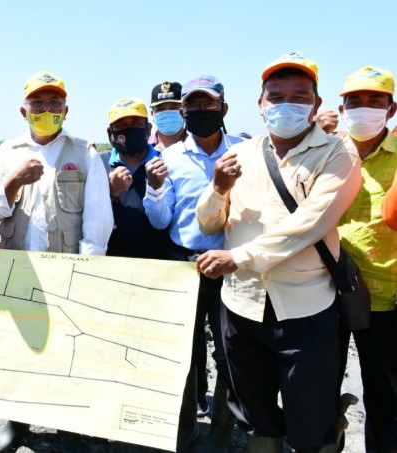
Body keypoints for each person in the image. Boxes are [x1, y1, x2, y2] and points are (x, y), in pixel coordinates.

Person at [195, 52, 361, 452]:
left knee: (309, 422)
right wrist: (217, 187)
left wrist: (237, 257)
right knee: (255, 417)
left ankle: (328, 433)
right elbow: (209, 224)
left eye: (300, 95)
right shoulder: (243, 154)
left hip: (303, 309)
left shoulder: (338, 155)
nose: (287, 104)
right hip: (242, 306)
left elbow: (308, 226)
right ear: (261, 104)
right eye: (276, 95)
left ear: (316, 105)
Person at [0, 70, 113, 452]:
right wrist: (15, 180)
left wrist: (89, 269)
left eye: (54, 102)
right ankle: (16, 423)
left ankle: (69, 426)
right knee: (19, 347)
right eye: (38, 103)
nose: (46, 109)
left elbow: (98, 216)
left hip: (69, 265)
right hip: (17, 265)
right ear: (24, 111)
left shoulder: (85, 151)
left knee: (69, 349)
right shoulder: (8, 153)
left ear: (66, 109)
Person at [144, 75, 244, 452]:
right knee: (180, 353)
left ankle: (220, 433)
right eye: (195, 106)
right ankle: (183, 431)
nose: (202, 111)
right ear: (184, 111)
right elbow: (160, 219)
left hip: (229, 267)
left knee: (230, 354)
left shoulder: (243, 153)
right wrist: (154, 190)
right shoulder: (168, 158)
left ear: (224, 108)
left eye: (209, 104)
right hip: (182, 265)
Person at [335, 65, 397, 452]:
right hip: (325, 293)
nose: (365, 109)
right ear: (342, 108)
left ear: (391, 110)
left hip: (386, 299)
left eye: (376, 101)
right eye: (355, 101)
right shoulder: (327, 150)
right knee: (319, 390)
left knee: (385, 398)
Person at [104, 97, 169, 259]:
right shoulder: (99, 164)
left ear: (148, 129)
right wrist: (111, 194)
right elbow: (90, 217)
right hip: (112, 263)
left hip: (162, 265)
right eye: (121, 125)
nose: (129, 129)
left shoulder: (166, 161)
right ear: (110, 133)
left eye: (136, 123)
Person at [149, 82, 186, 151]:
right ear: (152, 114)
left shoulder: (198, 144)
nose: (167, 113)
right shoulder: (143, 149)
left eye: (174, 107)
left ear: (184, 111)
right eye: (160, 109)